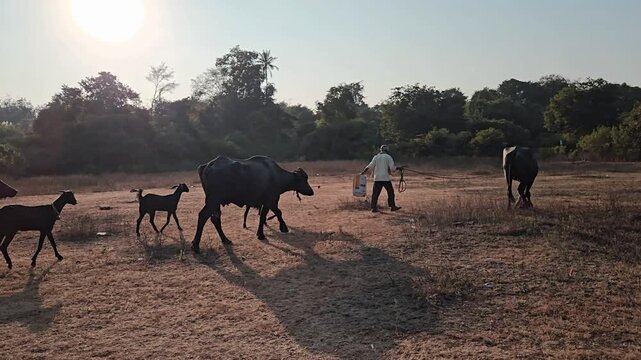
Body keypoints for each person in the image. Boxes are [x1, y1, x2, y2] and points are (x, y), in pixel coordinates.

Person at [360, 145, 403, 213]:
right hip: (385, 178)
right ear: (387, 150)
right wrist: (398, 168)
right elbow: (392, 168)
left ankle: (373, 208)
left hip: (377, 178)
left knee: (375, 194)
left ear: (381, 150)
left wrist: (363, 172)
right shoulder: (388, 157)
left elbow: (370, 166)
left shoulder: (376, 157)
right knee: (390, 193)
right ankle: (392, 206)